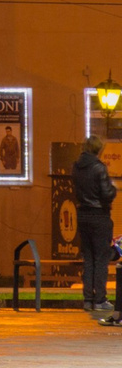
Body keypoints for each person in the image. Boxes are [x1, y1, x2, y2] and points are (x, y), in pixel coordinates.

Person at [76, 138, 117, 322]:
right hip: (99, 215)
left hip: (82, 215)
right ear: (98, 150)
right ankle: (100, 299)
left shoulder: (76, 167)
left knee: (89, 258)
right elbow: (106, 193)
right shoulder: (99, 168)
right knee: (101, 258)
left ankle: (88, 299)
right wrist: (114, 189)